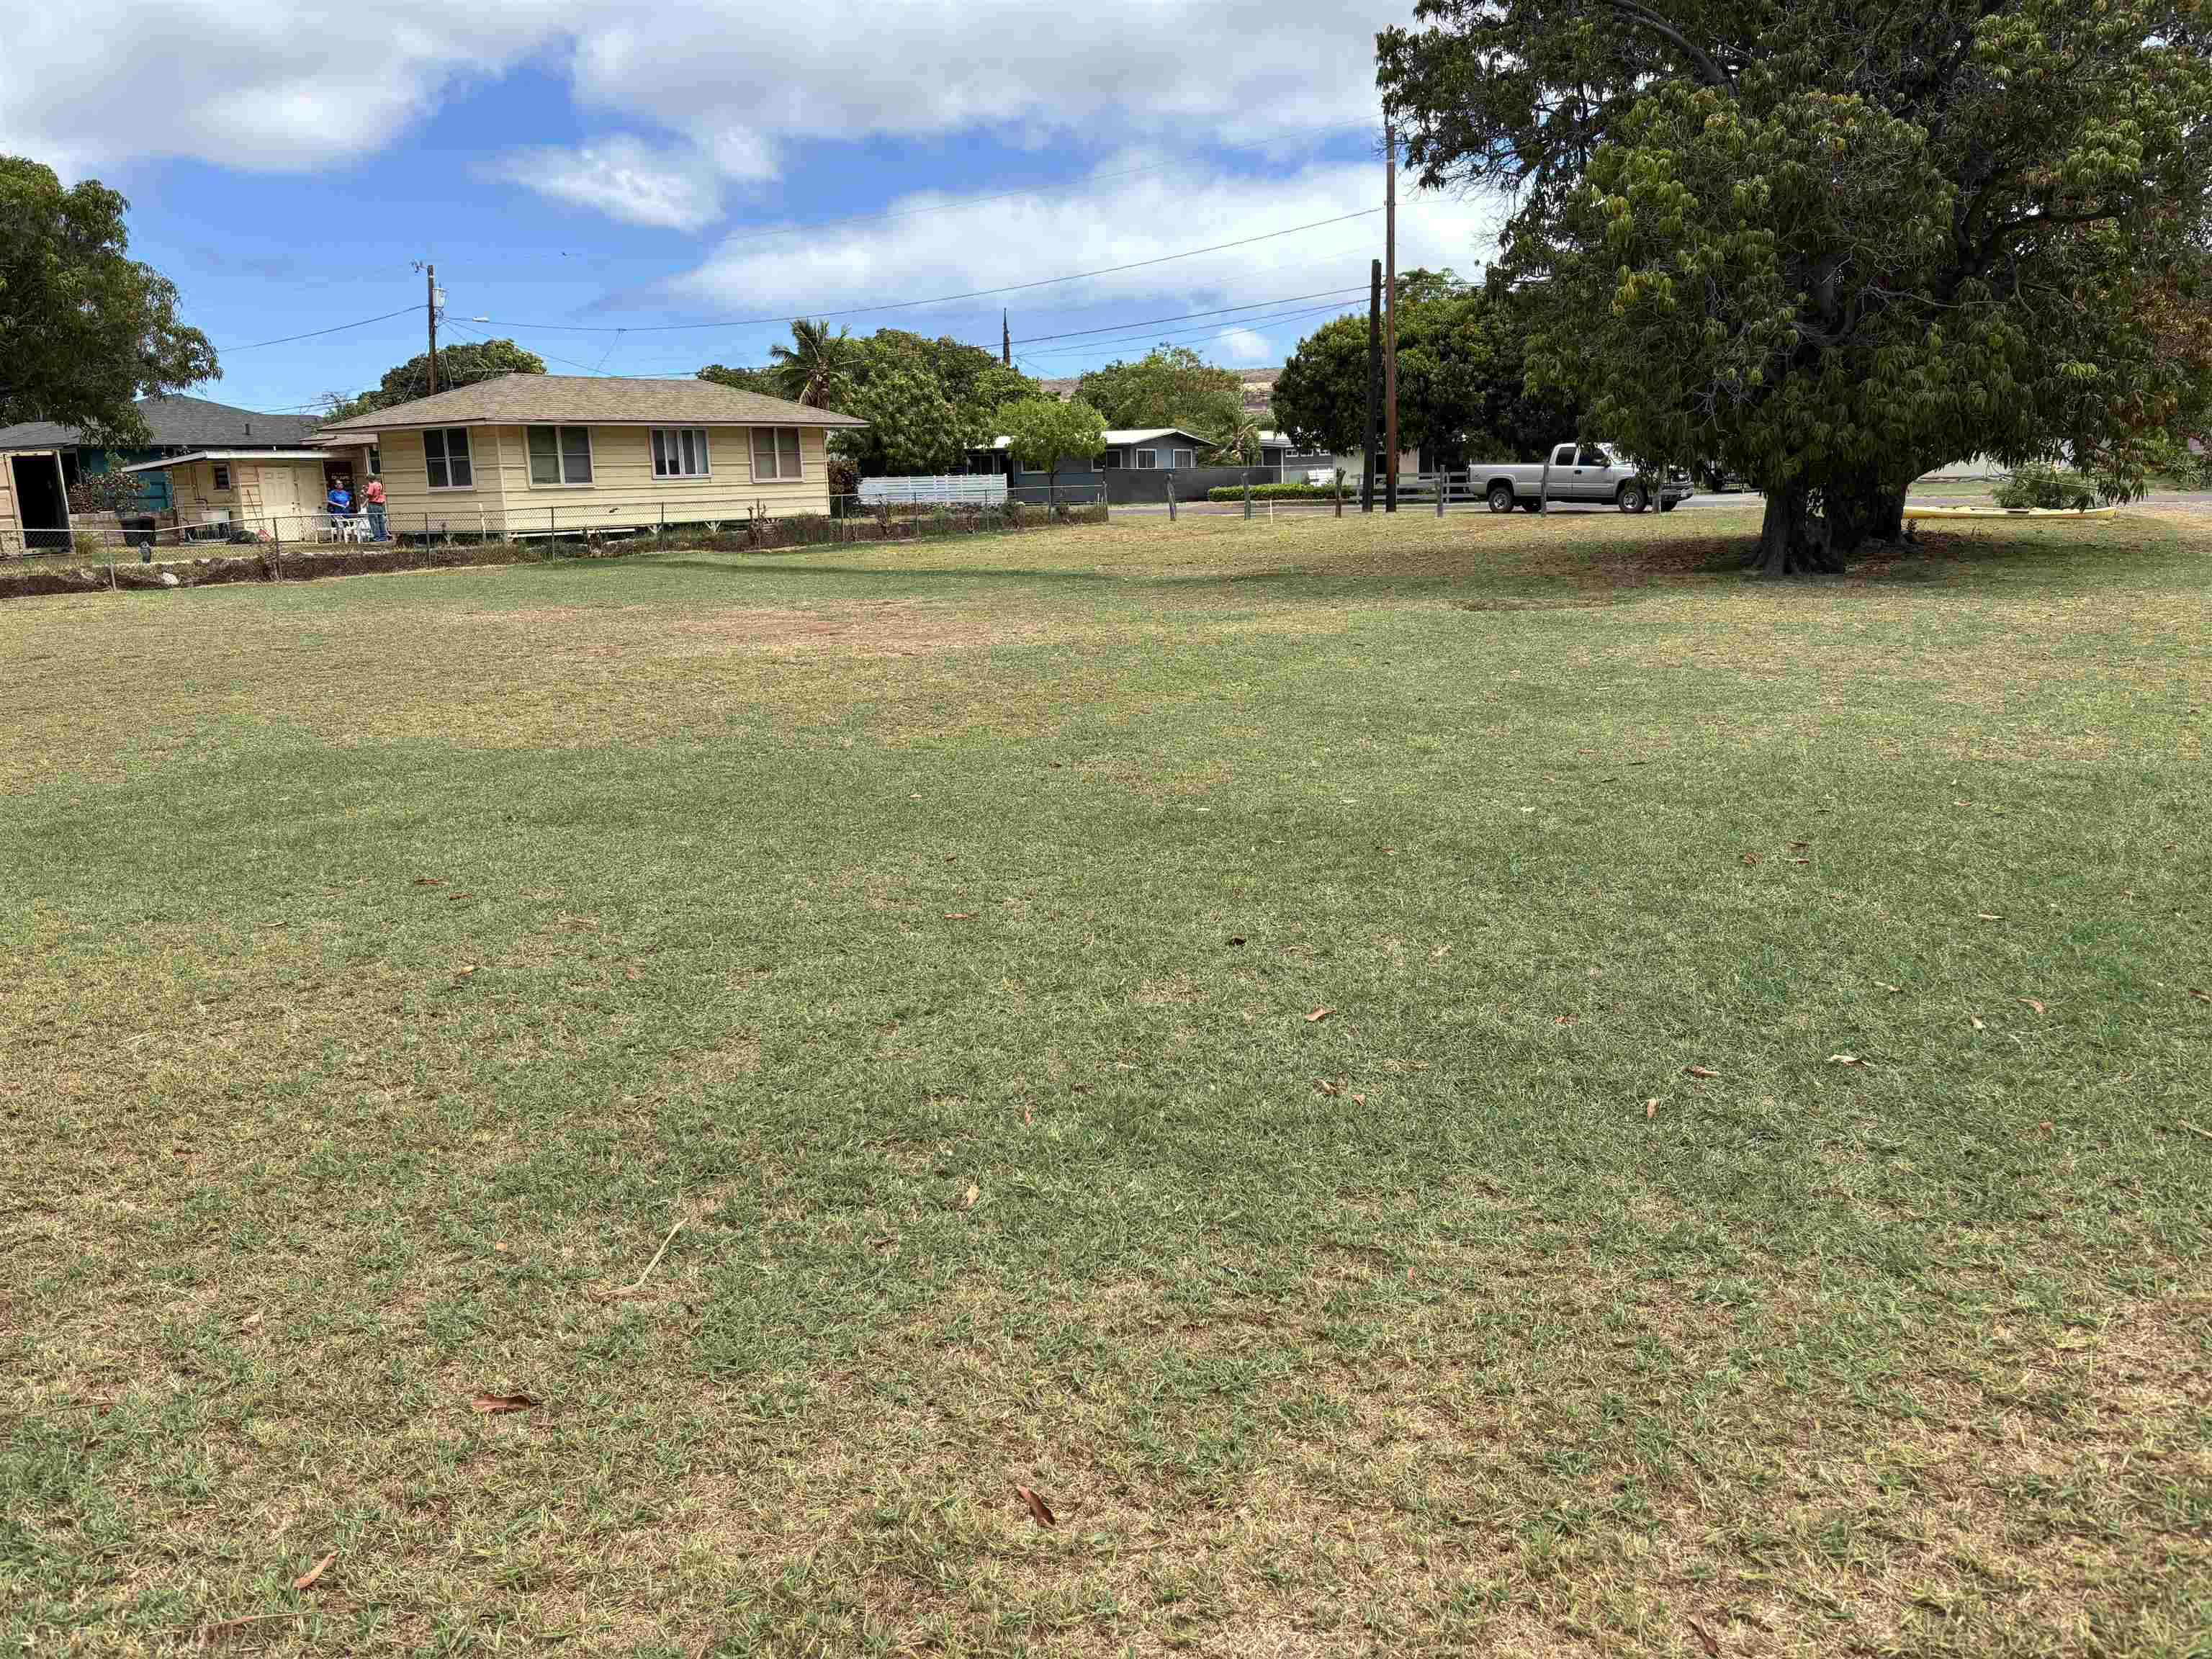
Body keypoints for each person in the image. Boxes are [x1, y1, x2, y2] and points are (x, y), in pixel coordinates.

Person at [361, 475, 387, 541]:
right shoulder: (379, 484)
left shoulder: (372, 485)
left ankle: (377, 537)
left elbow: (369, 495)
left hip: (373, 504)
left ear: (370, 479)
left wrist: (363, 493)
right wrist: (368, 488)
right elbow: (375, 492)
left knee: (374, 521)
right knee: (381, 521)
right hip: (380, 505)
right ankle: (384, 536)